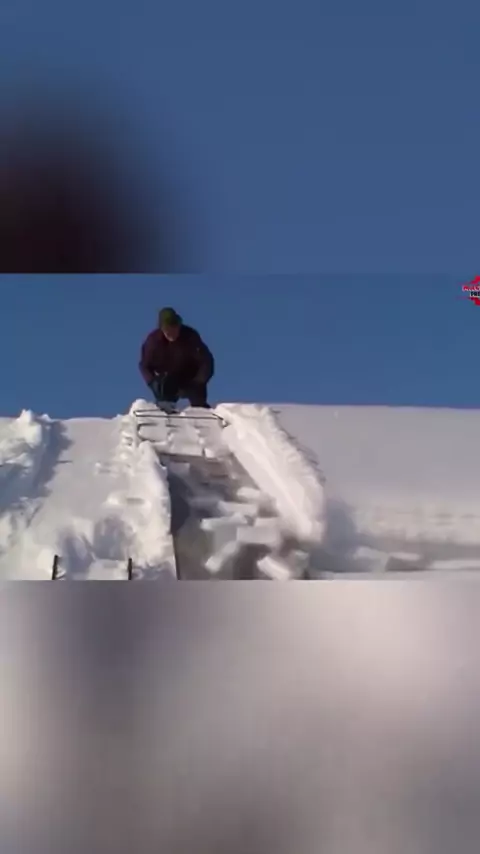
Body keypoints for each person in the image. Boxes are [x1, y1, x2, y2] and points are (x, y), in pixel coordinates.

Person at [139, 307, 214, 408]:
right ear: (162, 330)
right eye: (167, 330)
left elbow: (206, 362)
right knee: (162, 386)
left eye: (174, 328)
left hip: (191, 376)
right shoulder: (153, 342)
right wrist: (152, 382)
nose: (171, 333)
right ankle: (166, 408)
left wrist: (199, 381)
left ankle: (201, 409)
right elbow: (144, 365)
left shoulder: (190, 337)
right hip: (168, 378)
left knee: (197, 395)